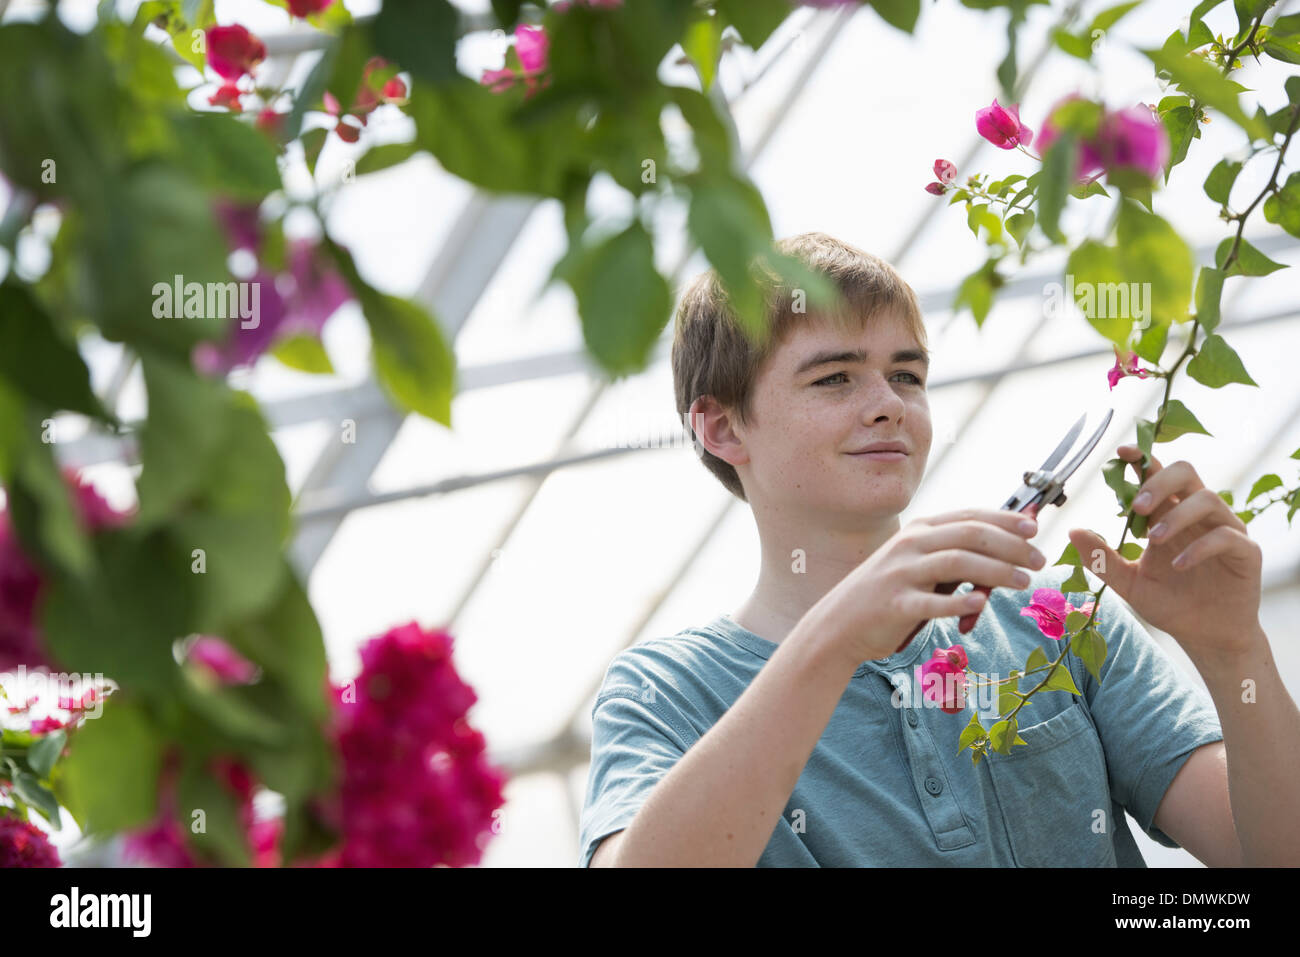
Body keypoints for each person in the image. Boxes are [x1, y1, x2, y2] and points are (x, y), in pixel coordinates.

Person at [578, 231, 1293, 867]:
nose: (889, 402)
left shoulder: (1059, 623)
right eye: (835, 376)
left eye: (907, 374)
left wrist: (1234, 652)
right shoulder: (665, 692)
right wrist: (833, 639)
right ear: (723, 428)